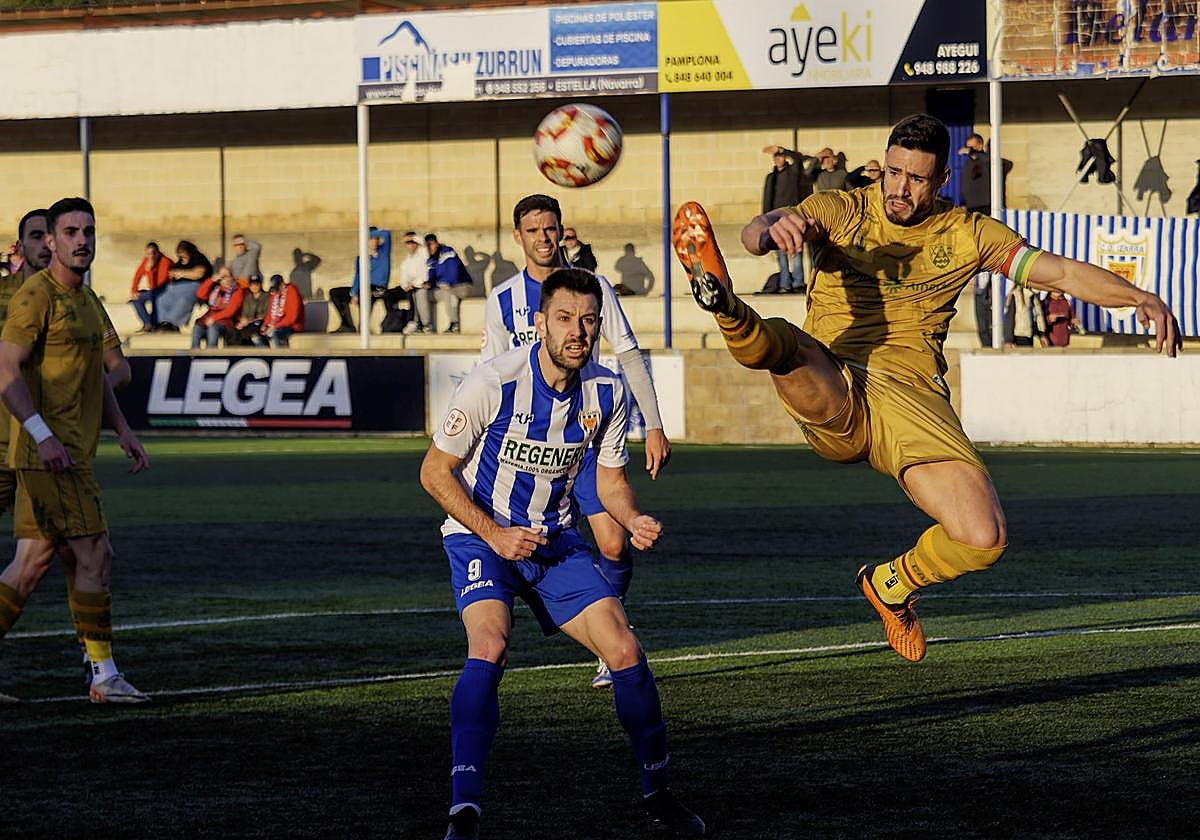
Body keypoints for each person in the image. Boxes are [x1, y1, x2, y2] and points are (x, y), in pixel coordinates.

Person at [673, 113, 1181, 664]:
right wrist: (769, 231)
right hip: (837, 373)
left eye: (916, 179)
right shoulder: (846, 208)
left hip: (914, 399)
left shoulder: (967, 233)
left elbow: (1057, 274)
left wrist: (1137, 298)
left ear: (940, 180)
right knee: (790, 348)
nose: (899, 188)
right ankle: (726, 307)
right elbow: (762, 228)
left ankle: (890, 584)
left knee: (982, 537)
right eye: (892, 172)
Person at [421, 268, 704, 840]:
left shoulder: (606, 390)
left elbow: (609, 483)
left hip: (553, 542)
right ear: (541, 322)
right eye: (566, 319)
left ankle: (658, 792)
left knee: (624, 649)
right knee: (491, 644)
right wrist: (497, 536)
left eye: (589, 320)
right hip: (482, 535)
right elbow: (434, 473)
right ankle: (464, 809)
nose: (578, 331)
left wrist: (632, 518)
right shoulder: (492, 382)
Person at [482, 194, 671, 689]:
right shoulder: (503, 300)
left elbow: (627, 355)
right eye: (533, 230)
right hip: (526, 446)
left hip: (584, 437)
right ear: (517, 237)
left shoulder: (594, 288)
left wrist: (652, 423)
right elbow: (489, 374)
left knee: (612, 539)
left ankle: (611, 633)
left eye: (551, 228)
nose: (544, 238)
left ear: (563, 231)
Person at [0, 197, 151, 704]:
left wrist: (123, 430)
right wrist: (42, 433)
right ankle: (104, 675)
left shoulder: (86, 301)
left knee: (31, 564)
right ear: (51, 240)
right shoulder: (34, 297)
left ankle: (102, 673)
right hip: (49, 453)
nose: (81, 239)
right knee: (95, 553)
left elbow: (102, 375)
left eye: (88, 231)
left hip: (68, 452)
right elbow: (6, 371)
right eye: (69, 232)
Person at [761, 145, 813, 292]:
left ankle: (798, 283)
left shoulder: (792, 172)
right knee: (781, 253)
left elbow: (797, 158)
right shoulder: (772, 177)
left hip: (792, 217)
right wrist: (765, 220)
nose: (778, 159)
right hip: (776, 219)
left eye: (780, 156)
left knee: (796, 250)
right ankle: (785, 284)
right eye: (776, 157)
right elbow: (767, 198)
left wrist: (782, 149)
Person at [330, 227, 390, 333]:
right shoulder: (362, 257)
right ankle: (347, 324)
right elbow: (359, 276)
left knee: (366, 292)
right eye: (370, 239)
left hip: (378, 288)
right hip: (363, 288)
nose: (373, 241)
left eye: (375, 238)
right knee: (335, 293)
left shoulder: (383, 252)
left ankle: (363, 326)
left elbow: (386, 233)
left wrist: (368, 232)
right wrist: (354, 293)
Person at [155, 240, 213, 332]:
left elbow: (199, 274)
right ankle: (164, 322)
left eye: (183, 253)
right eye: (179, 254)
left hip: (194, 286)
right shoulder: (180, 262)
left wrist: (182, 274)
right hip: (175, 288)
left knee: (183, 301)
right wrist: (173, 274)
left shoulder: (199, 258)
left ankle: (174, 323)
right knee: (161, 300)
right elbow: (172, 272)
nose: (181, 256)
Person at [426, 234, 472, 334]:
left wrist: (448, 283)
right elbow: (432, 279)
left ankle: (454, 323)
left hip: (462, 286)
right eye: (428, 245)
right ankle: (426, 325)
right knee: (424, 294)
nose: (430, 247)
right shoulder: (431, 260)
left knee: (448, 292)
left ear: (436, 243)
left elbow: (453, 271)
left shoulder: (448, 252)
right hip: (444, 288)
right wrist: (428, 284)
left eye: (431, 244)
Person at [191, 266, 244, 349]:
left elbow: (231, 311)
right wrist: (211, 280)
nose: (226, 279)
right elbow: (200, 294)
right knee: (197, 328)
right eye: (223, 277)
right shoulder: (216, 289)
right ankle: (194, 356)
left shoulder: (237, 290)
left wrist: (214, 318)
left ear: (232, 277)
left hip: (226, 321)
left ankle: (211, 356)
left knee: (213, 328)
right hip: (209, 318)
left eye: (228, 276)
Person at [128, 241, 174, 332]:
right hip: (154, 290)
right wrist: (134, 291)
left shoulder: (165, 261)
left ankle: (153, 324)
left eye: (153, 253)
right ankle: (148, 323)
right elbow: (137, 276)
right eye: (148, 254)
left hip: (165, 290)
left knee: (155, 297)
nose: (151, 256)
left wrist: (150, 269)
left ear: (158, 252)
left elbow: (160, 282)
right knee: (136, 299)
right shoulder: (146, 261)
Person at [396, 231, 433, 335]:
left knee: (420, 292)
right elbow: (403, 278)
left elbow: (424, 242)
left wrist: (412, 237)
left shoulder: (423, 253)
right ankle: (415, 322)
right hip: (413, 287)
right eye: (408, 243)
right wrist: (406, 285)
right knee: (404, 293)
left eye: (412, 242)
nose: (411, 245)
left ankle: (426, 324)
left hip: (425, 285)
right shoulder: (406, 261)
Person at [258, 273, 304, 348]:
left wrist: (275, 326)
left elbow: (292, 317)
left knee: (275, 333)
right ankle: (265, 356)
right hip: (277, 325)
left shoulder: (292, 292)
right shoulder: (274, 293)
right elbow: (270, 313)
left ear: (282, 284)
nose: (275, 291)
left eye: (277, 288)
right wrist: (265, 324)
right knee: (257, 336)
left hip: (292, 326)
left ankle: (280, 356)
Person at [1003, 284, 1048, 348]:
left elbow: (1038, 316)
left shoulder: (1034, 296)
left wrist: (1042, 334)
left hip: (1032, 335)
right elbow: (1010, 317)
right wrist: (1008, 340)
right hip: (1020, 335)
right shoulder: (1015, 295)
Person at [958, 133, 992, 214]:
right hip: (970, 206)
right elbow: (964, 184)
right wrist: (963, 202)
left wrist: (971, 152)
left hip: (984, 206)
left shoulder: (987, 160)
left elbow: (987, 159)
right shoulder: (968, 163)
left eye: (971, 148)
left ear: (980, 146)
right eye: (967, 147)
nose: (968, 150)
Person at [234, 273, 270, 345]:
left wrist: (250, 320)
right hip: (249, 323)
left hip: (261, 322)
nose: (254, 287)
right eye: (252, 285)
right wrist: (243, 321)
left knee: (253, 333)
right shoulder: (248, 298)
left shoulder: (267, 296)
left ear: (260, 285)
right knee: (235, 331)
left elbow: (265, 314)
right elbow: (245, 314)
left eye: (256, 284)